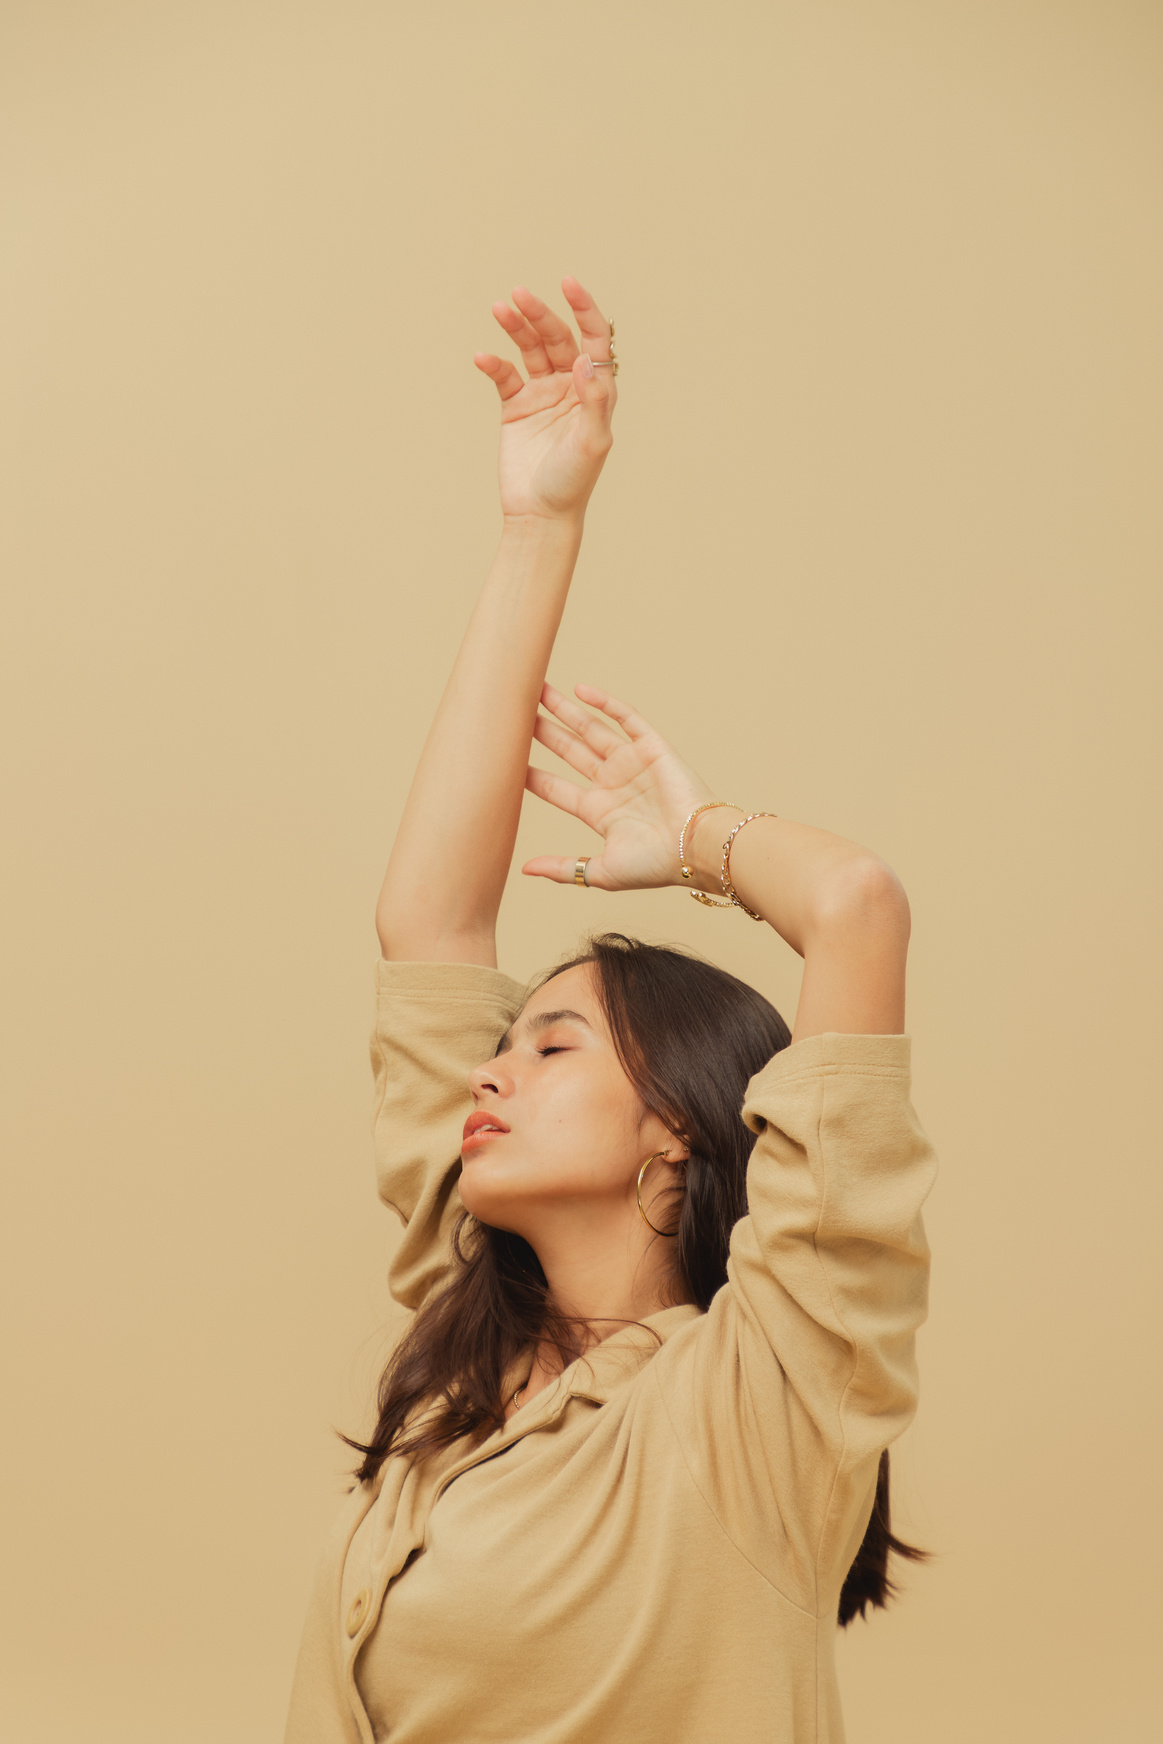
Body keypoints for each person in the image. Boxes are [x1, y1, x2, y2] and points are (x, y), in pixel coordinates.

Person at [285, 277, 937, 1744]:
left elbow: (856, 909)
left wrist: (699, 839)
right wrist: (540, 525)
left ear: (676, 1143)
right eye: (507, 1041)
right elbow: (433, 924)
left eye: (554, 1041)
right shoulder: (462, 1368)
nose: (494, 1067)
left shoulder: (768, 1398)